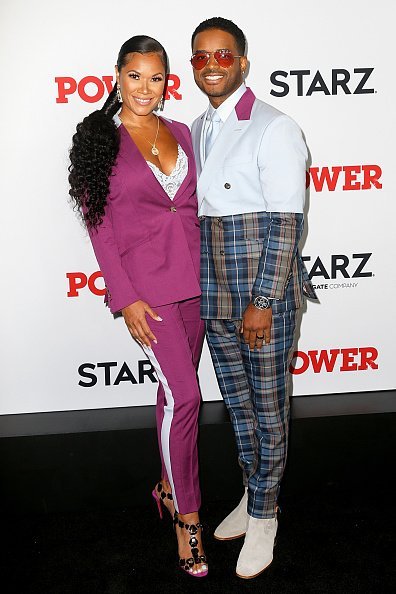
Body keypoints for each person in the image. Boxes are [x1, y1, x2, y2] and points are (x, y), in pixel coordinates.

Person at [68, 35, 208, 578]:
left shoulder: (179, 132)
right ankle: (188, 521)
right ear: (117, 77)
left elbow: (192, 206)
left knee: (173, 395)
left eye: (155, 77)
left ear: (166, 81)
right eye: (134, 76)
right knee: (188, 398)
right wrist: (124, 298)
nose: (145, 88)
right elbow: (99, 229)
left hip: (197, 281)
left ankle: (166, 486)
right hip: (147, 295)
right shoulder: (98, 138)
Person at [190, 18, 317, 579]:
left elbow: (287, 225)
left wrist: (263, 299)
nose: (211, 64)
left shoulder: (275, 125)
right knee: (239, 406)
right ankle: (252, 491)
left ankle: (266, 512)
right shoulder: (195, 127)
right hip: (215, 287)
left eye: (223, 54)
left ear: (243, 62)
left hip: (261, 290)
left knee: (268, 406)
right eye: (200, 57)